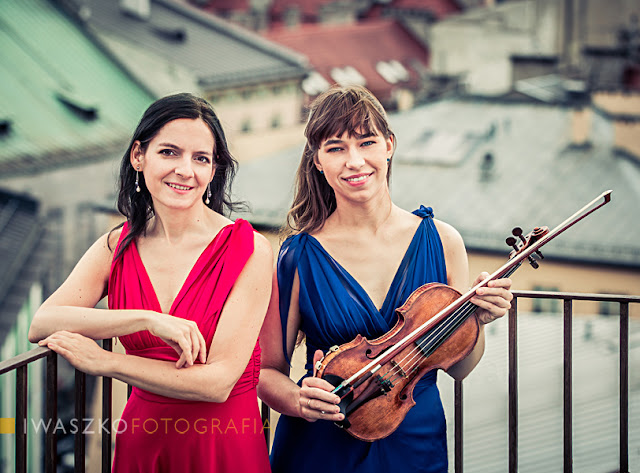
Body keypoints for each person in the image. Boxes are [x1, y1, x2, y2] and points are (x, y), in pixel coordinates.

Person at [257, 85, 513, 473]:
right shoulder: (297, 256)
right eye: (336, 148)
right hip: (321, 444)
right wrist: (298, 401)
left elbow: (459, 368)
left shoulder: (443, 241)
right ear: (317, 161)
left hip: (415, 439)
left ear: (389, 146)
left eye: (367, 142)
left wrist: (477, 321)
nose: (354, 161)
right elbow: (266, 372)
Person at [28, 93, 272, 473]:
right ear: (139, 156)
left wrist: (106, 362)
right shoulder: (117, 245)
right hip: (145, 443)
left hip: (223, 445)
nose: (185, 170)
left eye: (201, 158)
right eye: (170, 152)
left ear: (213, 170)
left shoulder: (249, 249)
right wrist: (145, 319)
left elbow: (217, 383)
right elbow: (42, 323)